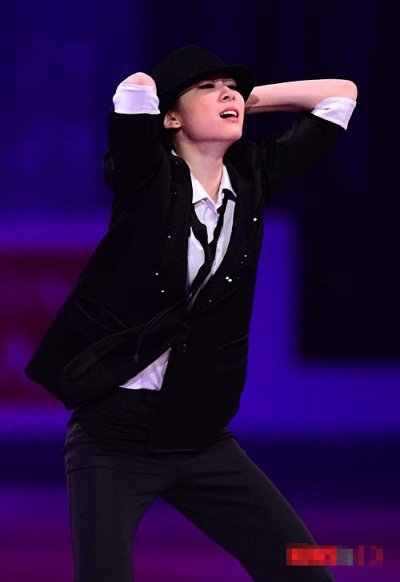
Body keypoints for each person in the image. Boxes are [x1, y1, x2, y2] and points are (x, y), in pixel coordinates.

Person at [25, 45, 357, 581]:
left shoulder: (252, 178)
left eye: (232, 88)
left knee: (309, 565)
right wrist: (186, 102)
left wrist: (238, 100)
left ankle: (364, 559)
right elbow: (135, 88)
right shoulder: (145, 177)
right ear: (170, 117)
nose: (228, 95)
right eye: (208, 86)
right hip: (112, 438)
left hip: (200, 433)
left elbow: (341, 95)